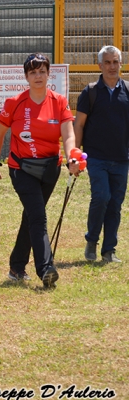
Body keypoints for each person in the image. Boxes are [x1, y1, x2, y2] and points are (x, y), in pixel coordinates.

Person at [0, 53, 79, 288]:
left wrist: (72, 156)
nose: (38, 76)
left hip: (51, 168)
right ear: (26, 77)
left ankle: (16, 266)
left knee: (31, 216)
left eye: (42, 71)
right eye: (33, 72)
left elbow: (68, 134)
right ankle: (45, 269)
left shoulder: (59, 101)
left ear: (49, 74)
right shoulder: (15, 102)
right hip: (22, 168)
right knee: (38, 216)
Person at [74, 45, 129, 264]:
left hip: (122, 158)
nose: (112, 66)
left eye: (115, 62)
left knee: (115, 203)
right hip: (96, 157)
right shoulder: (90, 92)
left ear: (121, 64)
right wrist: (75, 156)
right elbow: (78, 124)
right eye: (107, 62)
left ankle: (109, 251)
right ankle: (92, 241)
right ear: (100, 65)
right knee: (102, 197)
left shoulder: (128, 91)